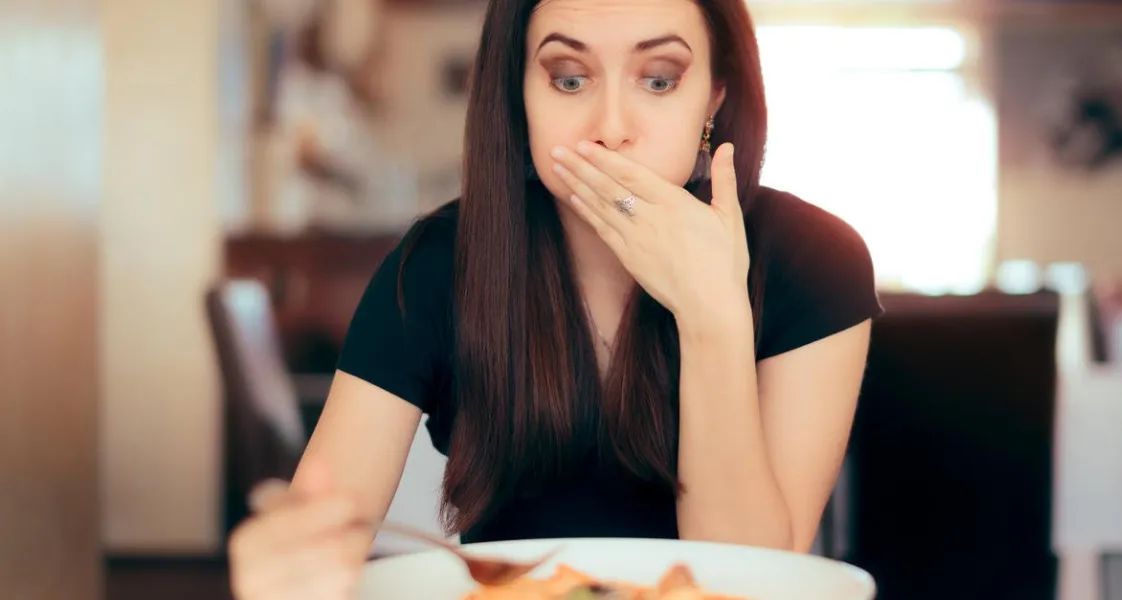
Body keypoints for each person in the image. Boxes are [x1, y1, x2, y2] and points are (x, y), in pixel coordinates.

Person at [228, 0, 882, 597]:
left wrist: (712, 315)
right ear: (520, 97)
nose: (612, 128)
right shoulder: (436, 265)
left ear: (714, 94)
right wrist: (291, 564)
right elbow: (324, 527)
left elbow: (752, 581)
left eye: (659, 80)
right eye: (569, 79)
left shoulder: (815, 260)